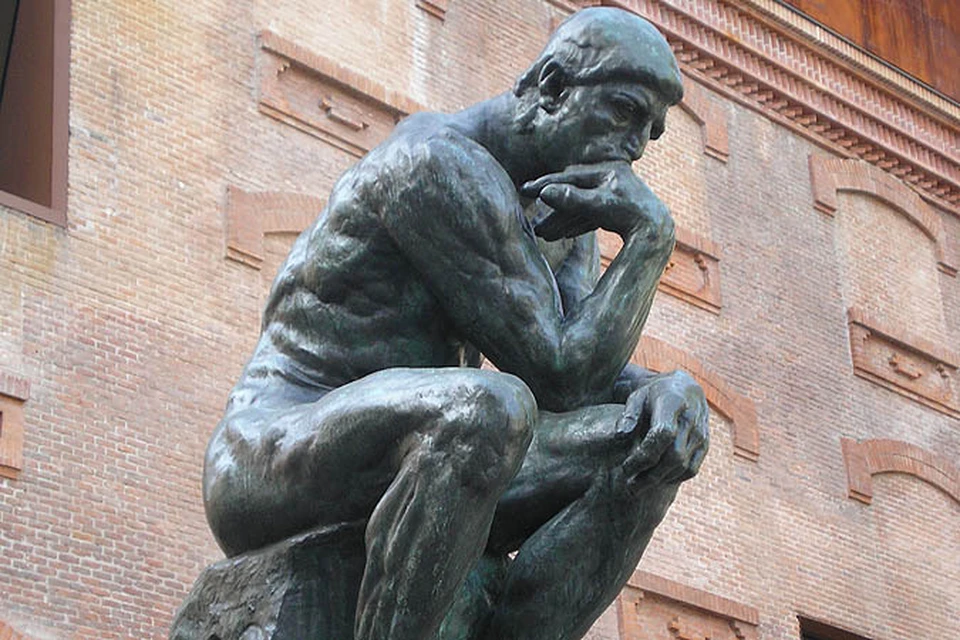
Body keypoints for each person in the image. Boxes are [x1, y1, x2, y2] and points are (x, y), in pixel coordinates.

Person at [202, 7, 709, 640]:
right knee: (488, 409)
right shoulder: (432, 161)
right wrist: (651, 240)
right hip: (274, 451)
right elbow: (561, 376)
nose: (634, 147)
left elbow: (587, 368)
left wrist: (667, 390)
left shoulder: (564, 215)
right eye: (624, 113)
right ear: (553, 87)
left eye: (650, 132)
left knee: (656, 439)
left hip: (432, 445)